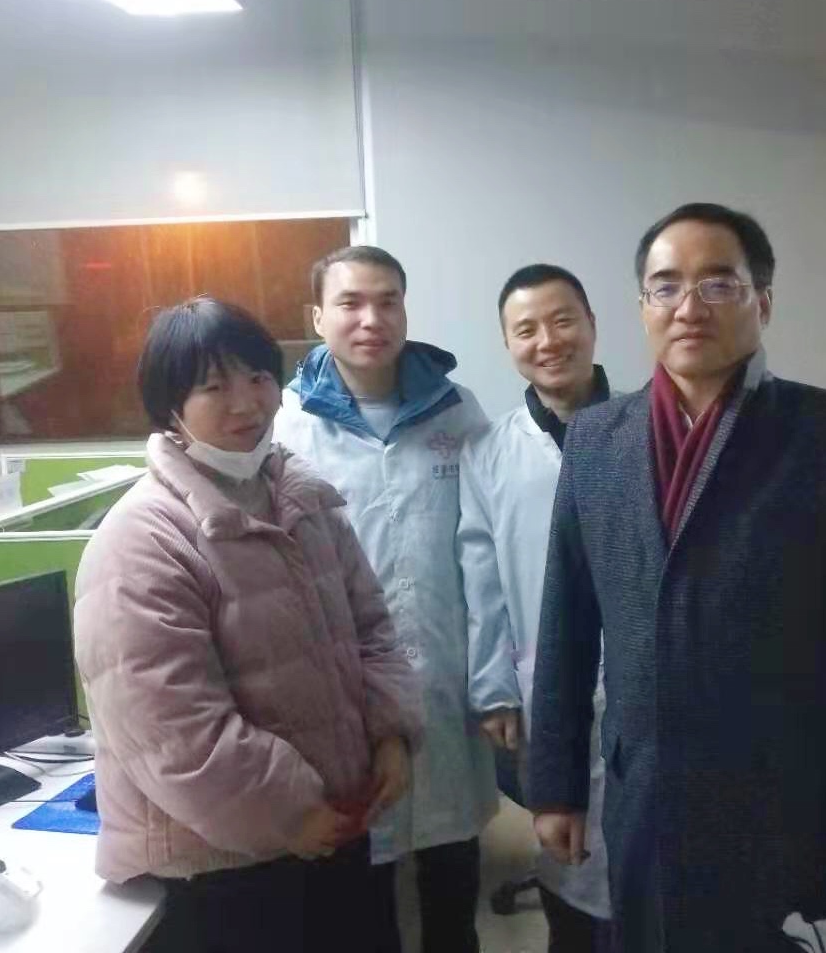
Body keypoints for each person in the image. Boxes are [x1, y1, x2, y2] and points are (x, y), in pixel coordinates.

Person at [527, 203, 826, 952]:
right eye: (666, 286)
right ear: (643, 306)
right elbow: (566, 626)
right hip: (644, 803)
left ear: (762, 302)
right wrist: (554, 783)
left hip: (788, 808)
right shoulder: (596, 439)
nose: (689, 307)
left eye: (718, 285)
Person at [73, 297, 422, 953]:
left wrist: (392, 733)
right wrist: (290, 813)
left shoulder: (304, 500)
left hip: (336, 829)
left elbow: (373, 630)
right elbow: (174, 728)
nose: (246, 403)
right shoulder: (141, 541)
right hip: (221, 870)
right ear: (170, 407)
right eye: (214, 387)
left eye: (259, 377)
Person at [274, 246, 497, 953]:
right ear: (317, 317)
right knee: (360, 891)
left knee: (452, 877)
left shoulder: (456, 412)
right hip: (344, 686)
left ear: (405, 309)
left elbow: (486, 549)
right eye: (350, 303)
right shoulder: (287, 425)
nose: (371, 319)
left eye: (387, 301)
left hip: (445, 673)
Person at [459, 264, 614, 952]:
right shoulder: (487, 451)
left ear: (592, 325)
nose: (547, 341)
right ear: (508, 344)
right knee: (566, 860)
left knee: (648, 863)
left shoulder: (653, 430)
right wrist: (494, 686)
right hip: (543, 688)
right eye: (526, 329)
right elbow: (481, 579)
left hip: (645, 688)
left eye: (562, 321)